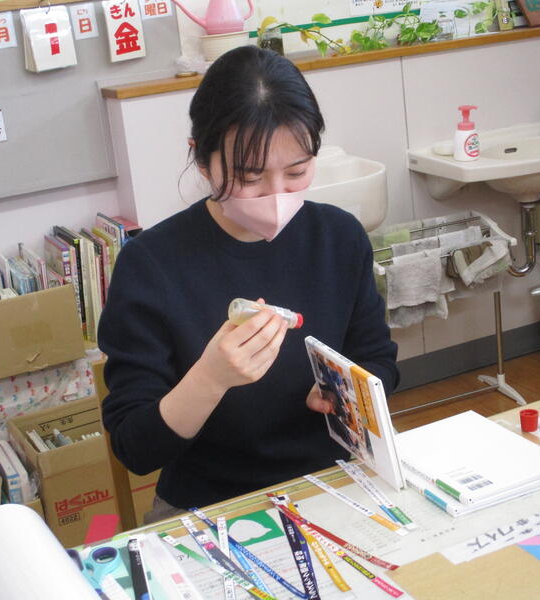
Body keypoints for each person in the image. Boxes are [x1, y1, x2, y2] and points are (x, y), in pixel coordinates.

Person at [98, 45, 398, 523]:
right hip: (210, 506)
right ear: (202, 160)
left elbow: (379, 361)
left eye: (296, 172)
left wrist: (345, 393)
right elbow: (136, 447)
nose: (276, 195)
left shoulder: (339, 237)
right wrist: (211, 377)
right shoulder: (151, 265)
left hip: (335, 483)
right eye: (250, 176)